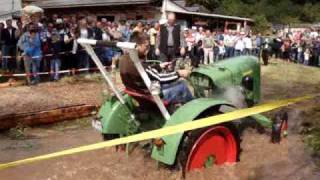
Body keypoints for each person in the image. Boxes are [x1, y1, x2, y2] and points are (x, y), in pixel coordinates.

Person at [120, 32, 192, 105]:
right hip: (151, 98)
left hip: (141, 94)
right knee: (182, 85)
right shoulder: (139, 64)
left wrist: (159, 66)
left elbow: (147, 71)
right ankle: (195, 110)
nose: (148, 49)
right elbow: (160, 78)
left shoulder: (124, 58)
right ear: (137, 45)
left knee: (173, 83)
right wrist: (178, 73)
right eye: (146, 46)